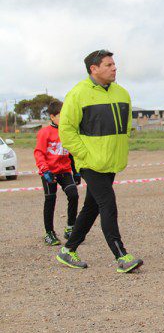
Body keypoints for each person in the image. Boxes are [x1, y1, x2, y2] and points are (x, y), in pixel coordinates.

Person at [57, 49, 143, 273]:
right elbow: (66, 131)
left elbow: (125, 127)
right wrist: (84, 155)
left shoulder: (122, 93)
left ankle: (68, 250)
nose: (114, 68)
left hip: (111, 161)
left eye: (114, 64)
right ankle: (121, 256)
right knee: (108, 203)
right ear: (93, 69)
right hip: (90, 162)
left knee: (92, 207)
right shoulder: (77, 94)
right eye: (108, 65)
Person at [34, 99, 80, 246]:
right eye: (61, 115)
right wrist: (45, 170)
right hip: (49, 172)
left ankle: (70, 228)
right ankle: (49, 233)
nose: (64, 118)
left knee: (73, 195)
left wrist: (76, 171)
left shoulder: (67, 132)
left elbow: (71, 153)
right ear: (52, 117)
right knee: (50, 200)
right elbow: (39, 152)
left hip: (65, 171)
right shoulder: (44, 133)